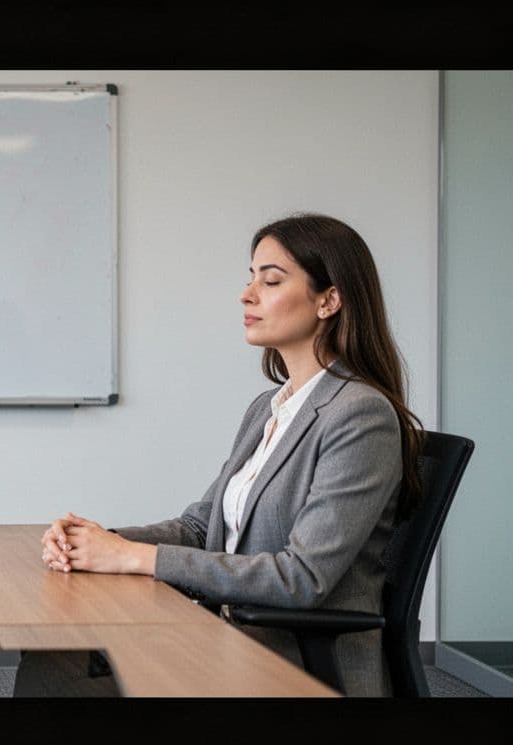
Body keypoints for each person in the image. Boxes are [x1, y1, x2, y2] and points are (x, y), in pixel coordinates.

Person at [36, 213, 423, 697]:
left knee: (63, 675)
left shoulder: (360, 415)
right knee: (52, 652)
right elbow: (203, 526)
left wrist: (135, 558)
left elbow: (302, 578)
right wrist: (97, 540)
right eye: (250, 277)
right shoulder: (270, 407)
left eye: (272, 279)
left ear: (330, 299)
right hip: (226, 636)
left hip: (289, 662)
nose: (248, 294)